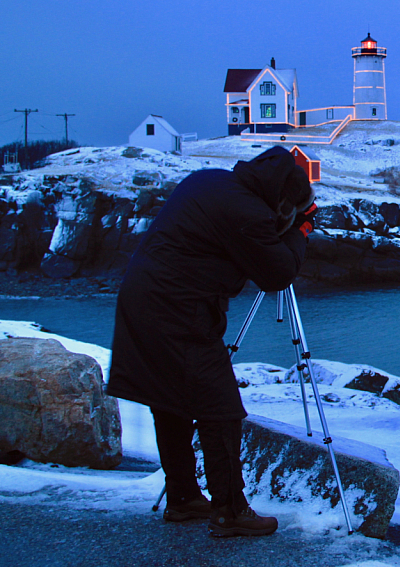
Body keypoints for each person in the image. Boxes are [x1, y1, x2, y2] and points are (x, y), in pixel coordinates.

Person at [106, 146, 316, 537]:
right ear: (282, 199)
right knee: (219, 407)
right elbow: (277, 274)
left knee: (170, 399)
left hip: (144, 299)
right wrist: (301, 231)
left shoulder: (210, 180)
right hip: (177, 311)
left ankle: (184, 498)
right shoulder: (246, 212)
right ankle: (229, 510)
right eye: (289, 208)